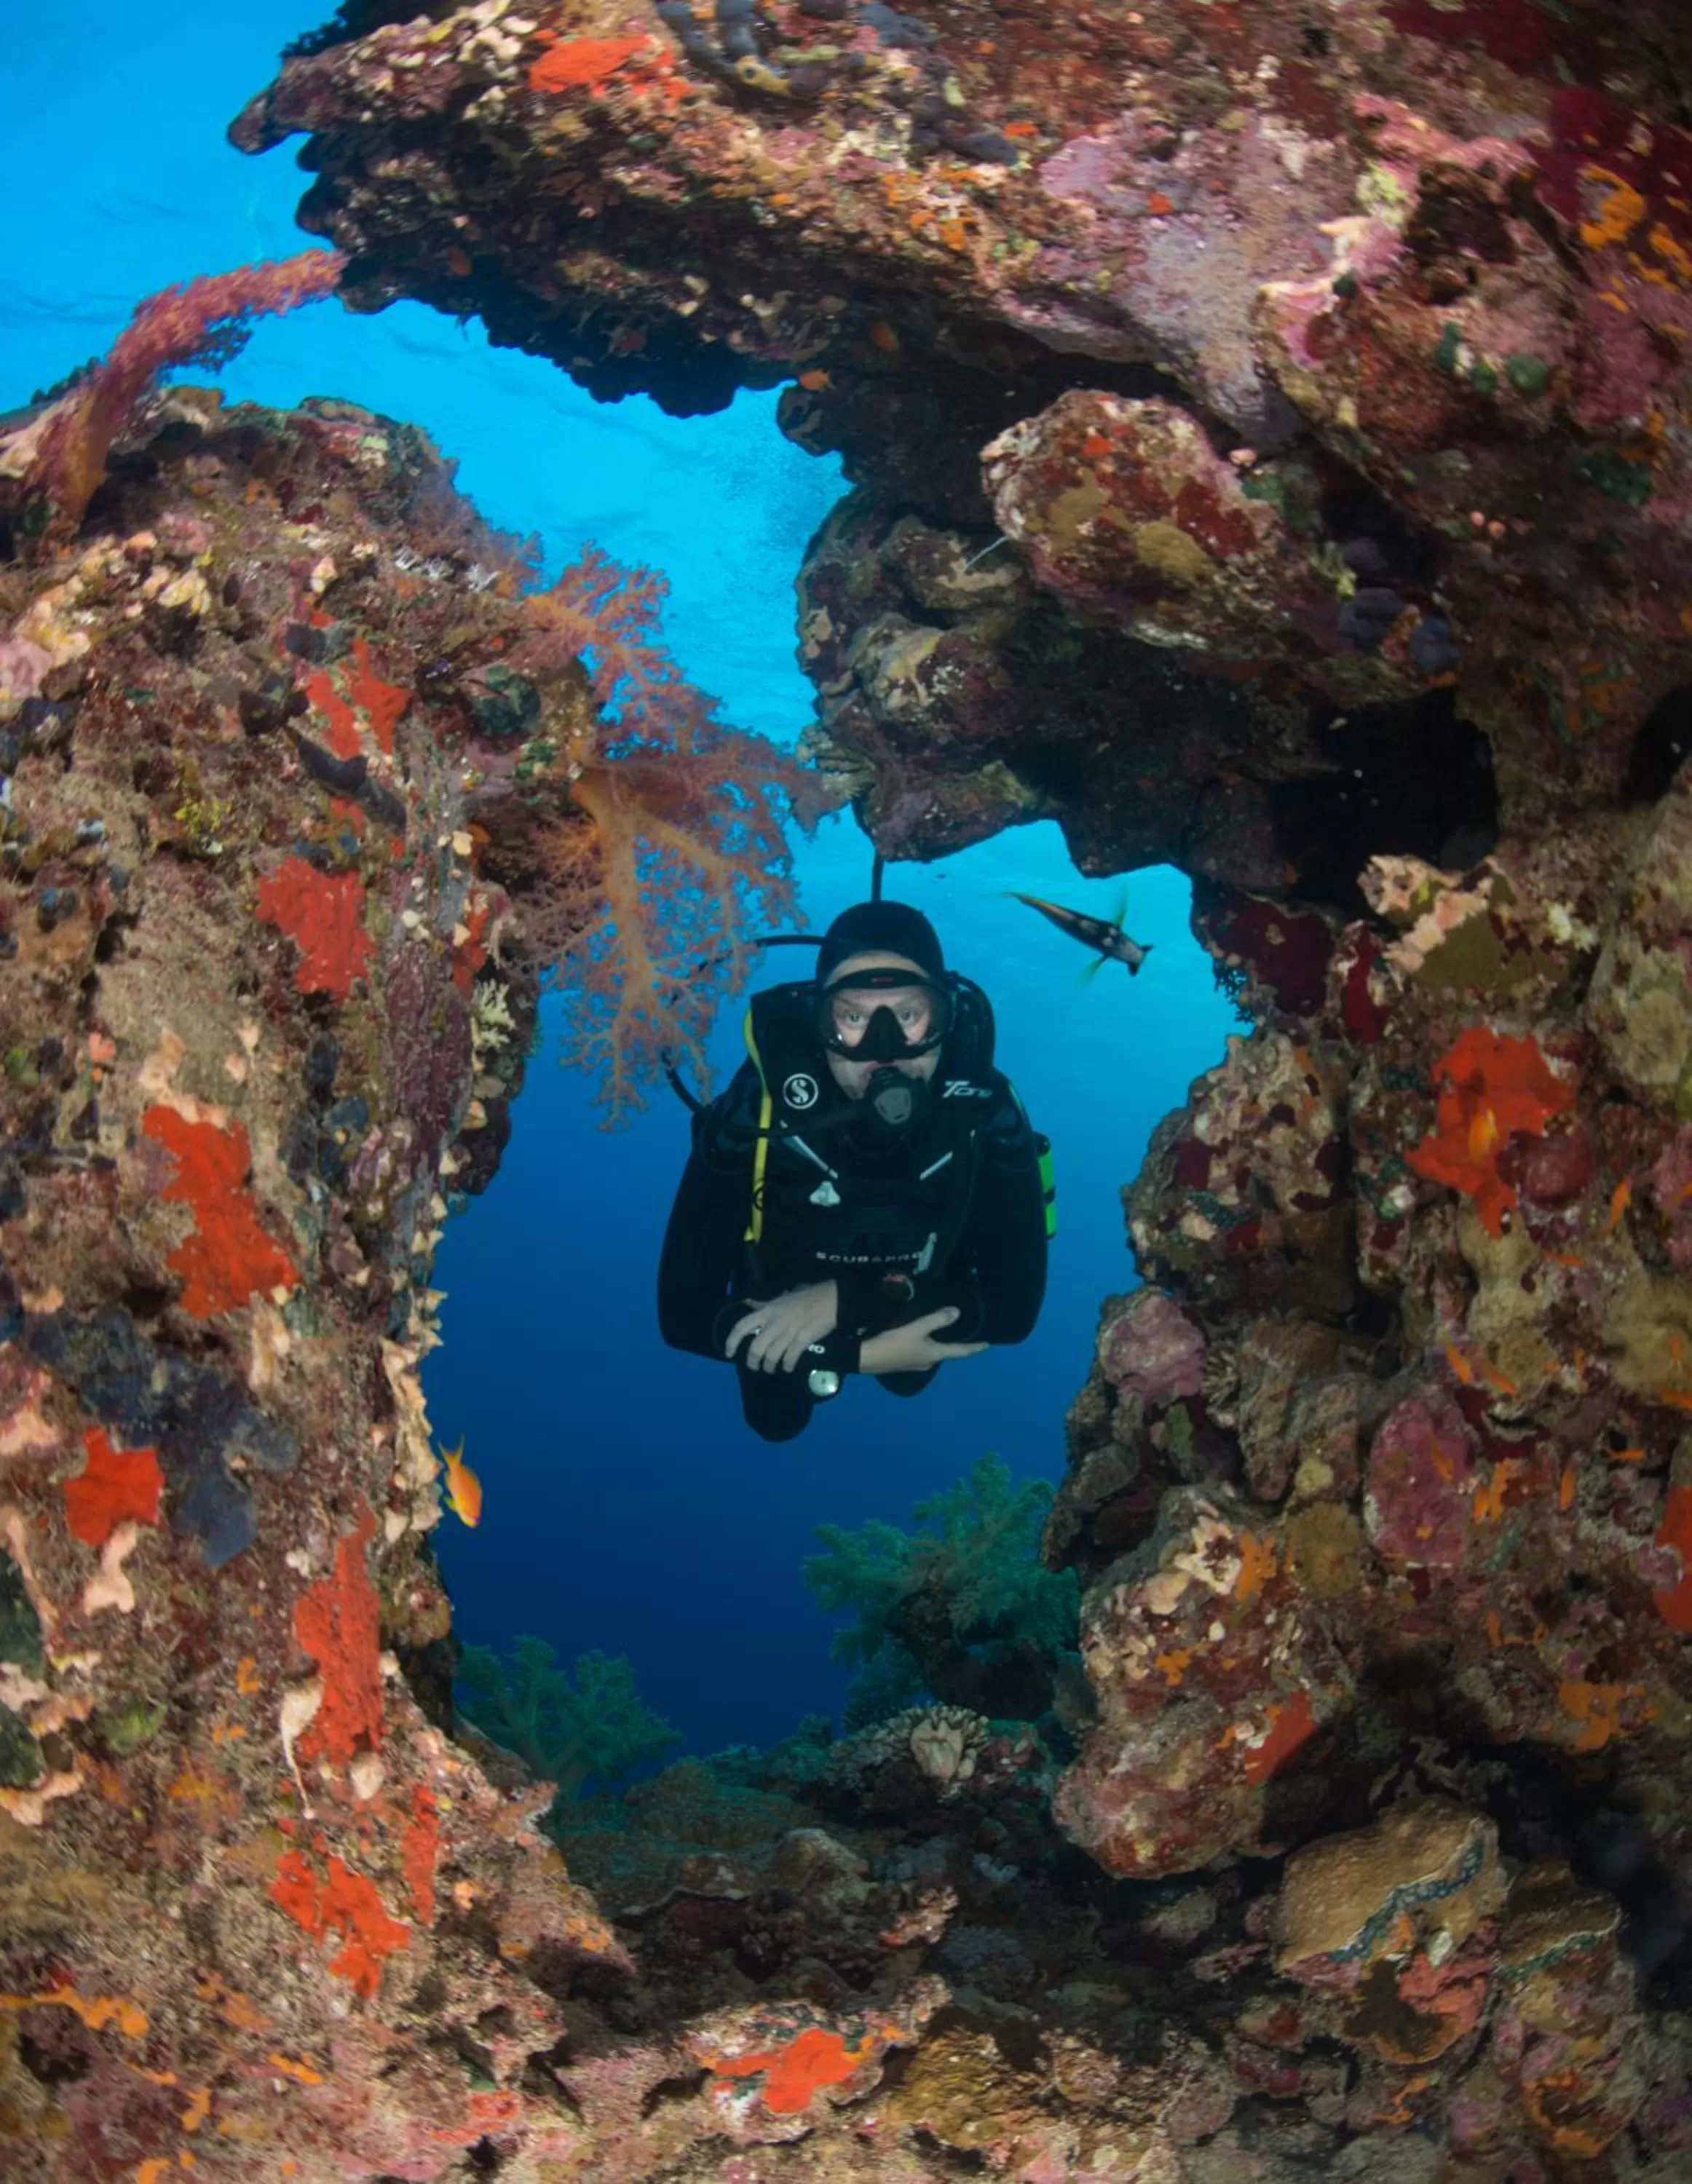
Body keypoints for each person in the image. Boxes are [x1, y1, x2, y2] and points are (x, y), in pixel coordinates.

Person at [657, 900, 1052, 1441]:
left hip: (913, 1301)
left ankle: (887, 1352)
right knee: (775, 1420)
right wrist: (854, 1354)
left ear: (945, 1017)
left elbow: (1015, 1311)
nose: (882, 1049)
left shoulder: (984, 1112)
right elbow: (682, 1316)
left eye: (908, 1015)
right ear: (819, 1024)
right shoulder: (757, 1114)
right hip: (782, 1308)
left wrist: (848, 1302)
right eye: (853, 1017)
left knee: (908, 1375)